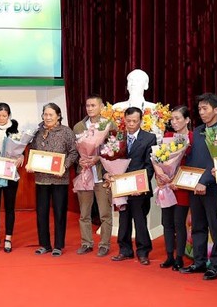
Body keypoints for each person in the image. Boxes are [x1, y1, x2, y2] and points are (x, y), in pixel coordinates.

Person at [180, 93, 217, 280]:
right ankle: (199, 262)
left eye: (205, 108)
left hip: (213, 187)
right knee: (198, 226)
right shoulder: (199, 130)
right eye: (199, 109)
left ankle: (216, 265)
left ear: (216, 109)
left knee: (216, 228)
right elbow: (193, 158)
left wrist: (205, 180)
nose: (201, 112)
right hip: (194, 186)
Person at [108, 107, 157, 265]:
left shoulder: (149, 138)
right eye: (128, 121)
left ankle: (143, 252)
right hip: (122, 186)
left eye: (134, 121)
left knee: (140, 220)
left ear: (141, 121)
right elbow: (111, 159)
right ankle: (125, 250)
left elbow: (150, 166)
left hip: (139, 188)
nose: (131, 124)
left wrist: (140, 185)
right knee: (124, 219)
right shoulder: (118, 137)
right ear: (124, 120)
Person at [29, 103, 78, 256]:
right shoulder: (37, 132)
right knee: (41, 213)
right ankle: (44, 244)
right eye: (45, 114)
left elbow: (74, 152)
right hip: (41, 179)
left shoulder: (66, 132)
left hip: (59, 179)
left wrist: (65, 166)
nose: (48, 117)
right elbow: (32, 151)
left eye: (51, 114)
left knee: (59, 212)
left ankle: (58, 245)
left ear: (58, 115)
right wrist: (31, 164)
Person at [72, 94, 113, 257]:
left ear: (101, 107)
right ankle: (86, 242)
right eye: (88, 106)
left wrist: (99, 157)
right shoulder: (78, 127)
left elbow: (116, 149)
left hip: (102, 175)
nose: (90, 108)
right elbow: (73, 151)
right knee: (84, 213)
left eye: (93, 105)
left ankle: (104, 244)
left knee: (105, 212)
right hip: (84, 175)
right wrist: (80, 161)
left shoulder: (109, 124)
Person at [154, 106, 192, 270]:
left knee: (179, 222)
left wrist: (177, 179)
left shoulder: (193, 138)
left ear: (187, 120)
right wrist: (160, 174)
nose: (174, 122)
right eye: (172, 119)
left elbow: (193, 164)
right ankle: (169, 255)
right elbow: (157, 159)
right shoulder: (168, 137)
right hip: (167, 186)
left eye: (178, 118)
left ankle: (179, 258)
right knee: (166, 222)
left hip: (181, 187)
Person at [0, 102, 22, 253]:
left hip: (10, 173)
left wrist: (21, 157)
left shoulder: (15, 131)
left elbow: (21, 148)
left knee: (9, 207)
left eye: (4, 115)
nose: (1, 118)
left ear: (9, 116)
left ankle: (8, 238)